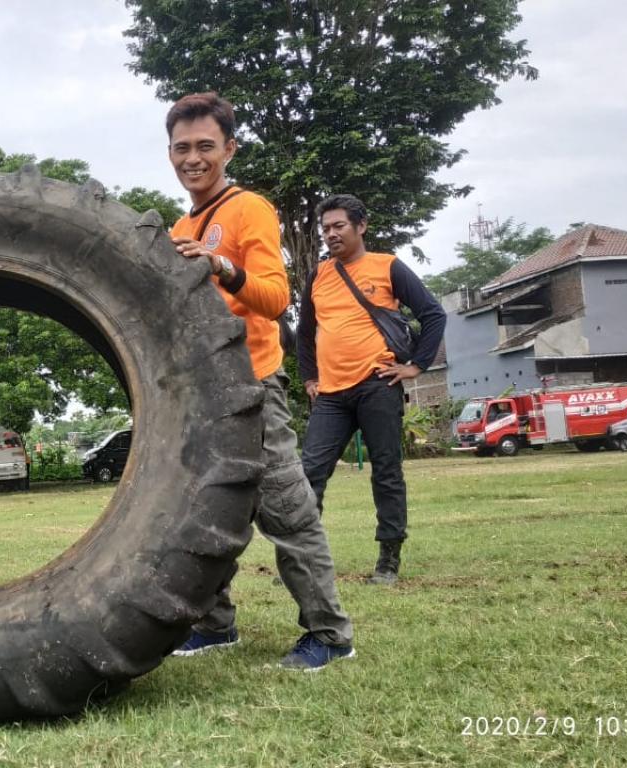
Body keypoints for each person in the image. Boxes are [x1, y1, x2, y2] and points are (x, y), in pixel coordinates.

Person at [165, 92, 355, 670]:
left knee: (286, 510)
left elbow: (275, 301)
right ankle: (213, 624)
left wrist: (220, 265)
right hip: (206, 389)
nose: (193, 158)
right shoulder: (180, 224)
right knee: (205, 509)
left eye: (205, 146)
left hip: (253, 383)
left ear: (229, 148)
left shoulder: (250, 209)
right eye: (181, 148)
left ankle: (329, 633)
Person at [297, 194, 446, 585]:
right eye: (325, 228)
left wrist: (416, 366)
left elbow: (432, 314)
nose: (330, 234)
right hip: (330, 394)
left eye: (338, 226)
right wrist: (310, 378)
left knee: (386, 472)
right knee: (309, 473)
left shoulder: (388, 267)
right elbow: (305, 331)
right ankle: (303, 560)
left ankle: (388, 559)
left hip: (378, 385)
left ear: (361, 226)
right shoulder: (319, 275)